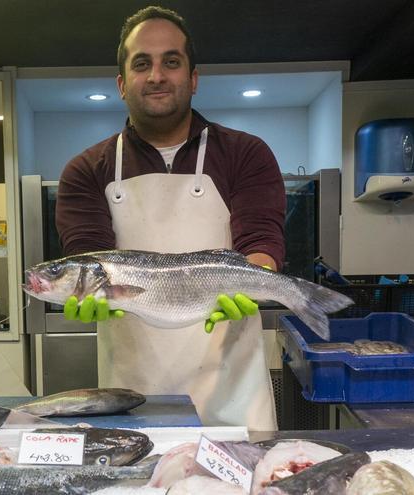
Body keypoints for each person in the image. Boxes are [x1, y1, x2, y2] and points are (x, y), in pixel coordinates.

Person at [55, 5, 285, 431]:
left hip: (232, 389)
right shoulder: (87, 170)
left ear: (193, 79)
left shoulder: (245, 153)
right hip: (132, 393)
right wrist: (85, 295)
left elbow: (262, 241)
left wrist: (257, 280)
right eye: (142, 63)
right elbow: (87, 258)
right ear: (122, 84)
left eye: (171, 62)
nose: (157, 75)